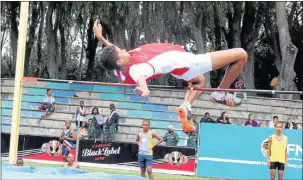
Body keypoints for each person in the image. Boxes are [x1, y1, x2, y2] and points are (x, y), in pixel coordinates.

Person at [93, 21, 247, 133]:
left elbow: (112, 52)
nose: (125, 49)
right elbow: (140, 76)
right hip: (190, 62)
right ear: (119, 61)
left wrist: (100, 37)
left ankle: (186, 105)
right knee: (241, 55)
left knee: (199, 81)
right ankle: (219, 92)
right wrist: (144, 89)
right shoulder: (135, 69)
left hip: (178, 68)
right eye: (122, 51)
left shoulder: (121, 65)